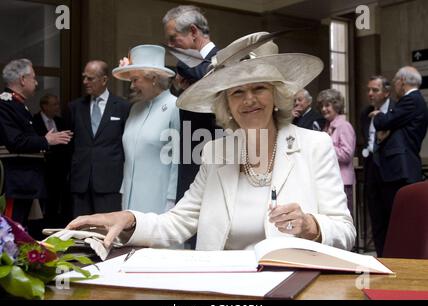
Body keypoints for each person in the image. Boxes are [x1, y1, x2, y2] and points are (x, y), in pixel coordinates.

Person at [67, 32, 356, 252]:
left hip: (290, 285)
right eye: (237, 92)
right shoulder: (216, 152)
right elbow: (178, 221)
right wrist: (128, 219)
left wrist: (311, 226)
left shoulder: (314, 145)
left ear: (277, 95)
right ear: (226, 105)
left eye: (259, 88)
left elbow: (345, 230)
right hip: (220, 286)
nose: (249, 100)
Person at [0, 59, 72, 231]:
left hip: (24, 182)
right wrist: (46, 140)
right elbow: (15, 141)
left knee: (20, 230)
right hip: (14, 181)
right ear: (23, 79)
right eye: (33, 77)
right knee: (9, 231)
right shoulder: (5, 106)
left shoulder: (17, 105)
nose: (36, 82)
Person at [162, 5, 219, 205]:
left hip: (214, 157)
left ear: (193, 31)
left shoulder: (224, 58)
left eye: (173, 38)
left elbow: (213, 80)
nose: (170, 45)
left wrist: (183, 66)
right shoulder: (192, 67)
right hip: (189, 156)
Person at [112, 45, 180, 214]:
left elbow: (178, 161)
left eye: (136, 80)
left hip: (159, 201)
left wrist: (171, 202)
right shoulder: (135, 109)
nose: (132, 86)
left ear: (154, 78)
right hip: (129, 199)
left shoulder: (175, 107)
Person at [369, 66, 428, 257]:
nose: (394, 86)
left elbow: (384, 122)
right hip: (390, 170)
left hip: (399, 170)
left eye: (395, 82)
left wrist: (379, 117)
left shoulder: (411, 100)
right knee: (385, 219)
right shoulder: (413, 101)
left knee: (397, 222)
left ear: (402, 81)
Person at [68, 60, 130, 217]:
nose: (85, 82)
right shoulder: (74, 107)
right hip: (81, 182)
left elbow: (126, 144)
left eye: (90, 78)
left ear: (104, 80)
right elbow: (69, 146)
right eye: (84, 77)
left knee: (106, 232)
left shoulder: (122, 107)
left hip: (110, 182)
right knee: (80, 231)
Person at [360, 76, 394, 256]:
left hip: (390, 171)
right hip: (371, 168)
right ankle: (381, 257)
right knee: (376, 218)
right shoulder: (365, 113)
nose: (370, 94)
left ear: (386, 92)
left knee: (392, 218)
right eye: (369, 90)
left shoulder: (396, 111)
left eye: (375, 90)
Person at [33, 94, 72, 227]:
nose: (58, 107)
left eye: (58, 104)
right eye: (54, 104)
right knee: (41, 203)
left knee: (56, 201)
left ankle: (54, 226)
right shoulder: (34, 121)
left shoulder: (60, 122)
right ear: (44, 106)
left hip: (60, 170)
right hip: (42, 169)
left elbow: (67, 146)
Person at [317, 89, 356, 216]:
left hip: (343, 182)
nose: (324, 109)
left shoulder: (344, 126)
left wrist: (326, 147)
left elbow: (346, 154)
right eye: (322, 105)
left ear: (336, 105)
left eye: (327, 105)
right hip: (330, 180)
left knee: (343, 220)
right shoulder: (327, 127)